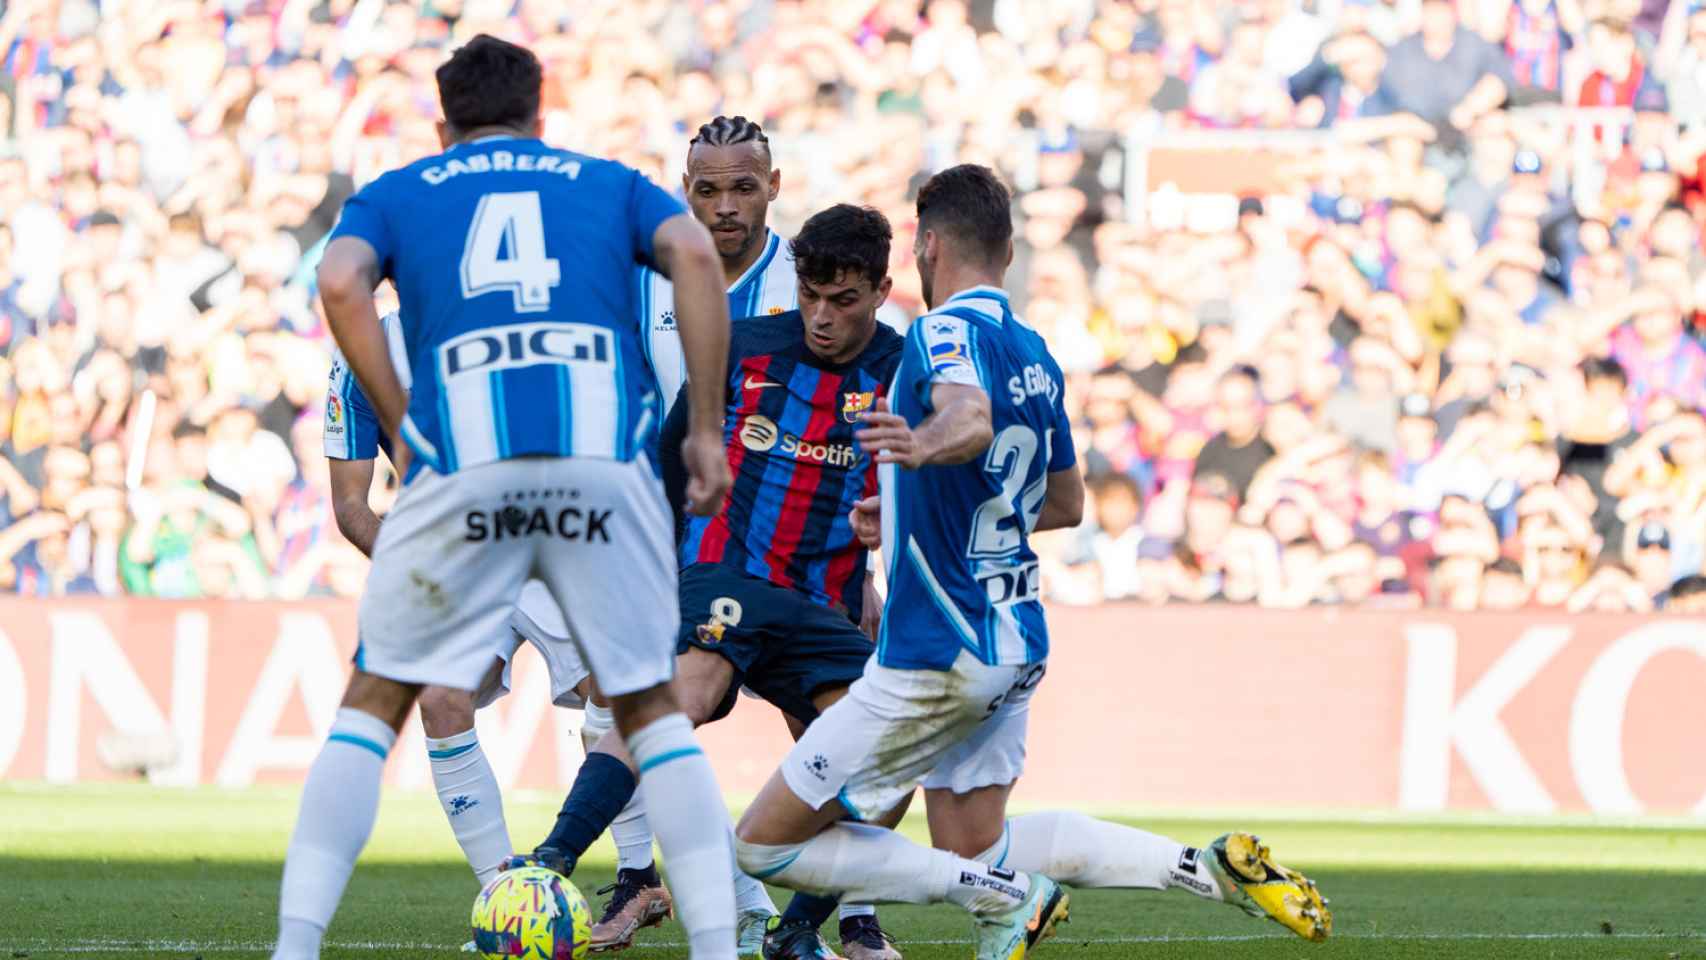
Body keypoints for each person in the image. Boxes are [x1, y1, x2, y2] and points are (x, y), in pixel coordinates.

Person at [731, 165, 1332, 960]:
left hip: (933, 653)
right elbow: (1065, 502)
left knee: (762, 845)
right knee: (974, 840)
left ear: (929, 245)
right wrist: (908, 501)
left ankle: (1007, 903)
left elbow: (969, 420)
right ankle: (1202, 867)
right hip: (1012, 640)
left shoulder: (943, 332)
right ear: (1008, 253)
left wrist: (918, 442)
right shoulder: (1034, 353)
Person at [272, 36, 739, 960]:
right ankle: (718, 947)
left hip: (467, 467)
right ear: (539, 115)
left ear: (444, 125)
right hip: (599, 467)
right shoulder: (602, 181)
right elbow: (691, 248)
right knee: (648, 709)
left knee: (374, 704)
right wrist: (704, 429)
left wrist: (404, 419)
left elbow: (337, 279)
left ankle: (295, 947)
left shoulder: (403, 191)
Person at [513, 204, 907, 960]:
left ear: (882, 289)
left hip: (826, 602)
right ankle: (551, 861)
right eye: (809, 295)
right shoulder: (742, 348)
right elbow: (667, 467)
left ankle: (797, 933)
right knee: (678, 698)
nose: (821, 318)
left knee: (890, 760)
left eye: (844, 300)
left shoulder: (906, 370)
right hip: (728, 571)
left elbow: (934, 478)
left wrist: (895, 517)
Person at [323, 309, 598, 896]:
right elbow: (352, 508)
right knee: (442, 699)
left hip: (556, 539)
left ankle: (638, 878)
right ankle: (504, 897)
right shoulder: (360, 355)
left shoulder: (524, 322)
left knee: (618, 704)